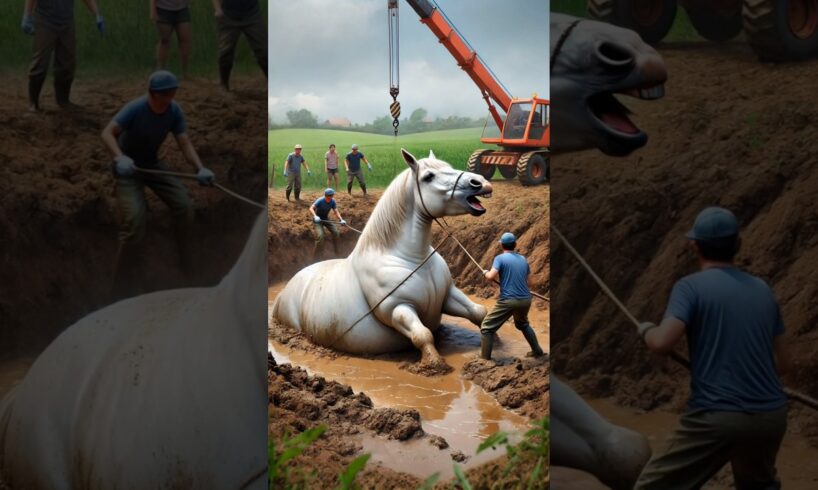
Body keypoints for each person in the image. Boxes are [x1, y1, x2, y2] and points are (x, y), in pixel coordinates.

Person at [635, 207, 790, 490]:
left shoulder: (690, 287)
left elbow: (661, 342)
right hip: (771, 416)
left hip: (718, 415)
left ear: (694, 246)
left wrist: (646, 330)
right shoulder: (763, 289)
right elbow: (782, 364)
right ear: (738, 244)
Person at [100, 71, 215, 297]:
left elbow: (184, 142)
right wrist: (119, 157)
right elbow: (107, 133)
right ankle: (119, 286)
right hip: (127, 169)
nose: (170, 97)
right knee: (134, 222)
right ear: (153, 93)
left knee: (184, 205)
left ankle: (184, 258)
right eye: (165, 93)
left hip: (151, 165)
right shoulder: (136, 109)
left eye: (173, 92)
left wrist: (199, 168)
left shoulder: (174, 111)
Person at [21, 0, 105, 112]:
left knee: (67, 63)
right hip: (45, 20)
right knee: (40, 63)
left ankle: (63, 101)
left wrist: (97, 14)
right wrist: (27, 15)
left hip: (67, 21)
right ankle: (33, 103)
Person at [479, 232, 545, 360]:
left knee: (486, 328)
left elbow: (491, 277)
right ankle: (537, 351)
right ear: (515, 244)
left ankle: (484, 359)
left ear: (501, 245)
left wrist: (485, 272)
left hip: (509, 300)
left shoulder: (500, 258)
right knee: (523, 324)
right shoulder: (523, 259)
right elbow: (531, 282)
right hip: (526, 299)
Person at [212, 0, 267, 91]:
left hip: (252, 14)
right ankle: (224, 83)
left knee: (263, 51)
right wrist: (217, 9)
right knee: (225, 53)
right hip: (228, 15)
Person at [150, 0, 192, 78]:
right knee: (164, 40)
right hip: (163, 9)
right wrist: (153, 11)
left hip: (182, 9)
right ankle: (161, 71)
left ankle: (185, 73)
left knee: (185, 39)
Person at [310, 188, 345, 258]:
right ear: (327, 196)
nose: (332, 197)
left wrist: (341, 219)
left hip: (325, 219)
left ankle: (336, 249)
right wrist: (315, 216)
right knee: (320, 236)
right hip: (318, 221)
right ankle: (316, 254)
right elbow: (311, 208)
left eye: (332, 195)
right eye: (331, 195)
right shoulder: (320, 200)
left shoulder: (332, 201)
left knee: (336, 233)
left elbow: (336, 211)